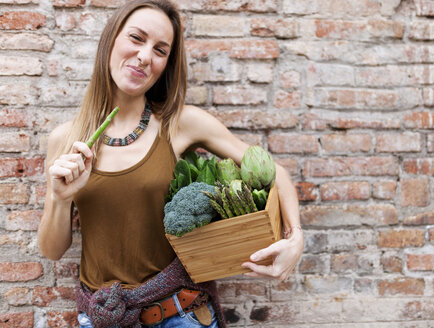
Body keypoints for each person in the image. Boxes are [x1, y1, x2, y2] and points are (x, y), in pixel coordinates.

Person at [37, 0, 304, 327]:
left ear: (166, 65)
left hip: (180, 315)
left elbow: (276, 173)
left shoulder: (181, 124)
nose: (145, 56)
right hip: (101, 317)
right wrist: (59, 199)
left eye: (160, 50)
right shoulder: (65, 140)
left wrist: (295, 237)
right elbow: (52, 250)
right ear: (111, 40)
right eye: (136, 38)